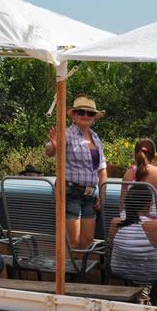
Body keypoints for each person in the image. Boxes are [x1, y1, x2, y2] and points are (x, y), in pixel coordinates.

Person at [45, 95, 108, 252]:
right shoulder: (66, 134)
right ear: (73, 114)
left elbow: (102, 169)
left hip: (90, 194)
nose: (85, 116)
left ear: (94, 117)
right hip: (70, 192)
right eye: (81, 112)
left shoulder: (95, 137)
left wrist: (102, 194)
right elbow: (49, 151)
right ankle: (67, 268)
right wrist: (53, 145)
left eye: (90, 113)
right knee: (73, 242)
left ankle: (80, 268)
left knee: (87, 241)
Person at [121, 138, 157, 219]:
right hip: (153, 224)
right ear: (154, 156)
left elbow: (122, 206)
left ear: (135, 155)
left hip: (130, 223)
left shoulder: (128, 174)